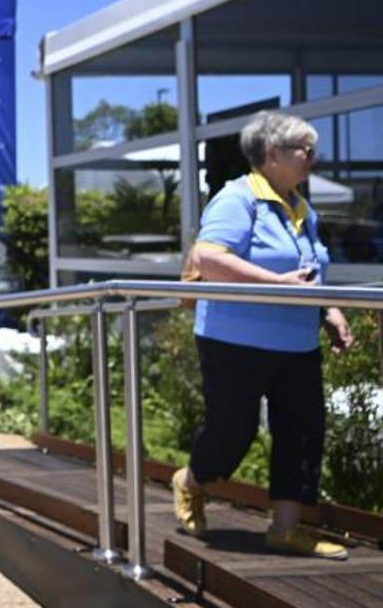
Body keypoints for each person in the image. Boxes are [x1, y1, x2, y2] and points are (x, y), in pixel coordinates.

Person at [173, 111, 354, 560]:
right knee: (231, 431)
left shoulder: (300, 206)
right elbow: (209, 257)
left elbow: (312, 271)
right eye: (304, 150)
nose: (312, 158)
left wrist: (328, 309)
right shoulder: (238, 199)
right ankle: (192, 480)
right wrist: (278, 286)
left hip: (297, 343)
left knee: (303, 432)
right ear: (272, 155)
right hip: (235, 340)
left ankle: (286, 529)